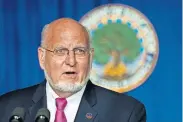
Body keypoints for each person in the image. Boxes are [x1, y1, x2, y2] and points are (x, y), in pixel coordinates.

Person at [0, 18, 146, 122]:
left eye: (80, 51)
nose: (71, 61)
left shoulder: (126, 112)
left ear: (90, 57)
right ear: (42, 57)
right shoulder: (7, 108)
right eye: (61, 51)